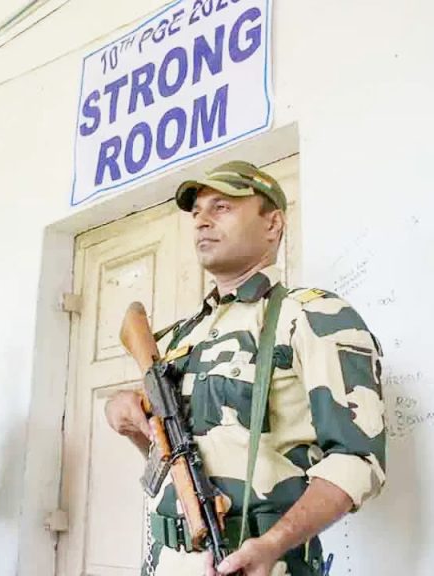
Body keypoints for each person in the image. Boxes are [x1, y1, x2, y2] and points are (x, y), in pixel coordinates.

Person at [105, 161, 386, 576]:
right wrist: (126, 415)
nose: (201, 221)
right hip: (165, 562)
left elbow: (357, 458)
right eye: (197, 211)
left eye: (221, 207)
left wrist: (272, 544)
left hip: (262, 564)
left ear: (273, 224)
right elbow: (178, 451)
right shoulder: (177, 337)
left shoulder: (312, 316)